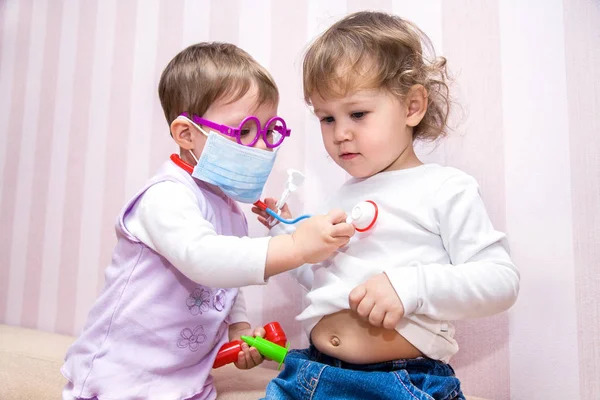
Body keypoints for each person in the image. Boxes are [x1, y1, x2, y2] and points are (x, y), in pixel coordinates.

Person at [61, 42, 355, 400]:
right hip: (123, 369)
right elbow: (205, 259)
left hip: (187, 376)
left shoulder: (228, 208)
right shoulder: (166, 195)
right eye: (245, 131)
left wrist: (239, 329)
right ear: (186, 134)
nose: (262, 147)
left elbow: (226, 282)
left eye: (268, 131)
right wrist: (295, 246)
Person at [253, 11, 520, 400]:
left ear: (412, 107)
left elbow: (501, 282)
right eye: (327, 118)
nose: (340, 133)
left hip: (399, 381)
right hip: (310, 371)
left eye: (357, 114)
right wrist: (289, 234)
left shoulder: (444, 187)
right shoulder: (343, 195)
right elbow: (328, 284)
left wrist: (409, 285)